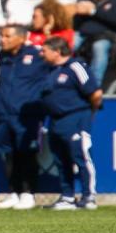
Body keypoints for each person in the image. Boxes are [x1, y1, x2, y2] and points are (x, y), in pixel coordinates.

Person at [0, 25, 49, 210]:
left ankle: (28, 193)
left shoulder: (38, 56)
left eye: (7, 36)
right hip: (4, 113)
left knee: (27, 153)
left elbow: (49, 79)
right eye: (1, 35)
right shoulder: (3, 56)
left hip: (26, 115)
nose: (2, 39)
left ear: (22, 38)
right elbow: (3, 81)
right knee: (8, 154)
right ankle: (13, 192)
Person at [40, 36, 102, 210]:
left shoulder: (75, 67)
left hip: (75, 118)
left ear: (57, 51)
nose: (42, 54)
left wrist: (87, 115)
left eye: (45, 50)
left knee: (81, 156)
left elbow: (95, 93)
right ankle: (67, 197)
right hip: (55, 120)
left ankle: (88, 197)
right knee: (61, 160)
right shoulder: (49, 70)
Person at [72, 0, 116, 85]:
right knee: (70, 43)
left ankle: (94, 84)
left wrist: (93, 11)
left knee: (99, 46)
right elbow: (76, 25)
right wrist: (79, 13)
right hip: (83, 35)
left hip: (108, 36)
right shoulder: (89, 0)